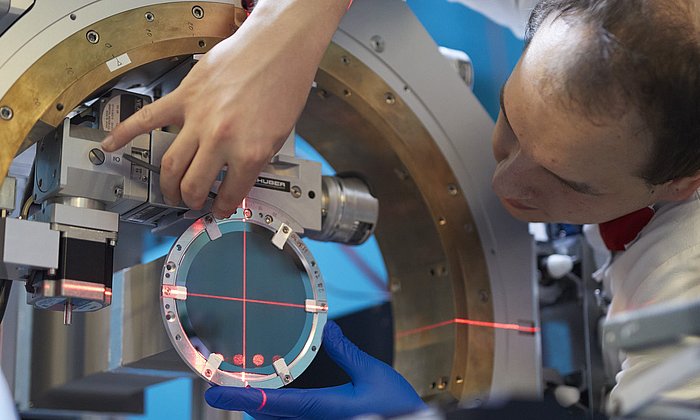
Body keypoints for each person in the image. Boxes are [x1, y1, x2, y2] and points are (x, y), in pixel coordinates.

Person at [102, 0, 700, 418]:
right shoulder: (612, 14)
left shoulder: (687, 286)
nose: (504, 182)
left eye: (570, 182)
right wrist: (284, 30)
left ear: (681, 183)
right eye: (511, 122)